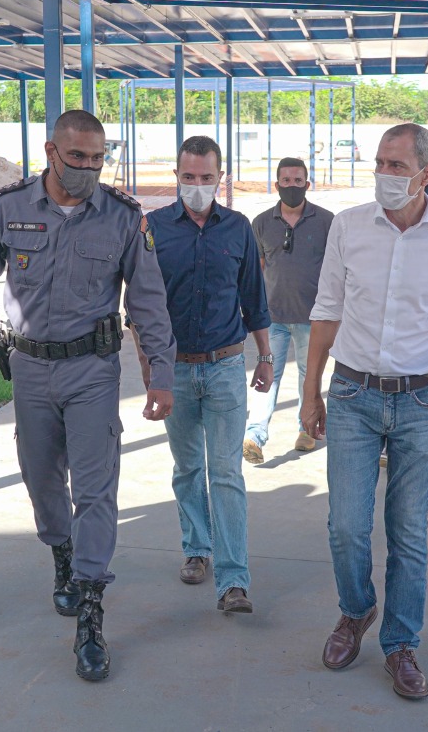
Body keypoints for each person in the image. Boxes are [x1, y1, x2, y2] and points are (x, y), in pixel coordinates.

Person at [0, 109, 176, 683]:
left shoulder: (123, 217)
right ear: (52, 152)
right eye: (78, 159)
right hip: (29, 370)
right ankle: (62, 555)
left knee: (96, 491)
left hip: (92, 371)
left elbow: (148, 300)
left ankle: (91, 610)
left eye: (99, 160)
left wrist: (160, 374)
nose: (89, 170)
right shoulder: (9, 208)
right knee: (40, 476)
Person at [301, 123, 428, 701]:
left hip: (422, 399)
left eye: (397, 165)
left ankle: (401, 642)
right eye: (379, 162)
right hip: (353, 394)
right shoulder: (349, 227)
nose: (384, 174)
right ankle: (356, 610)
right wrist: (310, 392)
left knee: (408, 529)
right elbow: (326, 308)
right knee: (346, 525)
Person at [142, 135, 272, 615]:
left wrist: (266, 357)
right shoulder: (152, 228)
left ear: (222, 178)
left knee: (227, 471)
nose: (197, 186)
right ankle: (197, 549)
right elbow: (141, 306)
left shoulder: (237, 228)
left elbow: (254, 298)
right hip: (174, 370)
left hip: (225, 369)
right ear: (176, 176)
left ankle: (234, 579)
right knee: (188, 468)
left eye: (206, 178)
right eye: (189, 177)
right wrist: (150, 372)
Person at [243, 157, 334, 463]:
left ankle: (306, 429)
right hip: (273, 318)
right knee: (268, 376)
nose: (292, 186)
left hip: (314, 318)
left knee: (310, 376)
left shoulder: (326, 221)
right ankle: (255, 435)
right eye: (286, 181)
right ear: (277, 184)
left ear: (307, 184)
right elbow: (257, 270)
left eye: (298, 181)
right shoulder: (261, 223)